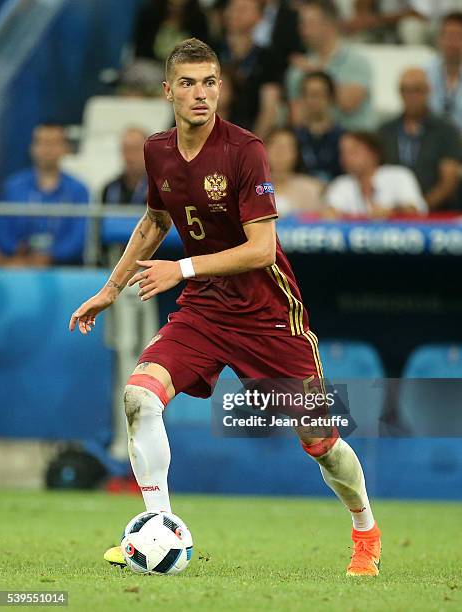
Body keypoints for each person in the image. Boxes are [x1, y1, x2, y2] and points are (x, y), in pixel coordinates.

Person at [69, 38, 381, 576]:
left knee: (321, 441)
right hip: (206, 310)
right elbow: (154, 223)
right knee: (140, 395)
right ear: (168, 90)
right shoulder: (158, 150)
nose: (200, 94)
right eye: (187, 83)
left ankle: (365, 531)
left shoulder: (245, 150)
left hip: (269, 315)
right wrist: (110, 288)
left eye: (209, 82)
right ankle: (156, 529)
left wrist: (181, 269)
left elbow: (261, 250)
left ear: (221, 88)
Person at [0, 123, 89, 267]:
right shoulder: (13, 186)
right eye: (41, 142)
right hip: (18, 264)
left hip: (64, 268)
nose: (47, 149)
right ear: (32, 147)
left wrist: (51, 255)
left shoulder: (79, 190)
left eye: (53, 143)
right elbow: (3, 228)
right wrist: (16, 249)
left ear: (65, 148)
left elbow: (80, 236)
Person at [379, 68, 462, 211]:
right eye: (405, 90)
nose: (411, 96)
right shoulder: (385, 131)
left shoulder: (446, 130)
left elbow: (450, 179)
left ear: (428, 91)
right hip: (393, 211)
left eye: (416, 90)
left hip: (438, 213)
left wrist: (420, 207)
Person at [286, 0, 375, 130]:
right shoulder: (297, 70)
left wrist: (316, 72)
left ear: (330, 24)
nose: (302, 29)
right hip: (314, 143)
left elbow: (349, 104)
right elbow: (297, 118)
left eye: (310, 23)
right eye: (302, 23)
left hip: (354, 140)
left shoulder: (357, 62)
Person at [218, 0, 283, 137]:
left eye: (244, 9)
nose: (236, 12)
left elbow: (269, 109)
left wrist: (250, 146)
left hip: (248, 133)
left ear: (259, 17)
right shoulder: (207, 50)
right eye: (232, 7)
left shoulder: (268, 58)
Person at [325, 131, 427, 217]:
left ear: (374, 153)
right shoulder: (340, 184)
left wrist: (391, 212)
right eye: (343, 152)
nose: (346, 157)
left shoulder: (399, 176)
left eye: (353, 151)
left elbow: (416, 211)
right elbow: (330, 212)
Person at [294, 71, 345, 183]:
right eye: (309, 94)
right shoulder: (292, 137)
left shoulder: (344, 138)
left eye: (319, 94)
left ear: (331, 98)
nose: (314, 100)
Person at [266, 128, 323, 215]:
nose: (280, 152)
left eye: (286, 147)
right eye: (275, 146)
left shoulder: (310, 189)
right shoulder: (250, 188)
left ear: (296, 154)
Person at [427, 12, 462, 133]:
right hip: (432, 141)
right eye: (449, 36)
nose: (453, 43)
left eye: (458, 37)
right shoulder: (425, 73)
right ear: (439, 39)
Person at [102, 128, 148, 206]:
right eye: (126, 150)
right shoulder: (110, 189)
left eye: (135, 149)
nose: (130, 156)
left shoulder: (161, 190)